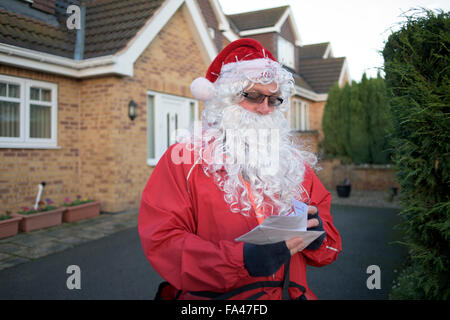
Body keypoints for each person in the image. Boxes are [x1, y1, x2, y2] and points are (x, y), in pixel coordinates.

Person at [138, 38, 342, 300]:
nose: (265, 108)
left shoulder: (294, 164)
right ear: (225, 100)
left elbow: (330, 248)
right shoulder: (184, 160)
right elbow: (162, 241)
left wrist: (317, 237)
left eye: (274, 99)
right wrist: (241, 259)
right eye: (253, 96)